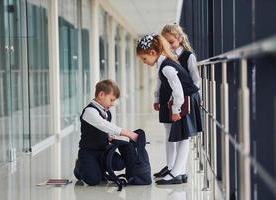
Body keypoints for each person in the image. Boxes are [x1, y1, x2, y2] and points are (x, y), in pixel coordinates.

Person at [136, 34, 202, 185]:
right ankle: (180, 172)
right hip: (187, 99)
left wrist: (176, 110)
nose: (145, 63)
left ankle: (177, 173)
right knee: (183, 137)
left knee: (184, 138)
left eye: (145, 59)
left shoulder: (166, 67)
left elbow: (178, 90)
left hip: (187, 100)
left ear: (153, 53)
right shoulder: (166, 63)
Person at [73, 79, 138, 186]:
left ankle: (97, 167)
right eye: (111, 100)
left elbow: (106, 130)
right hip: (89, 151)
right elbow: (104, 125)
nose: (113, 104)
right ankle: (80, 166)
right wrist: (128, 133)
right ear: (101, 94)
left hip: (103, 149)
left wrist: (109, 137)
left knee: (120, 163)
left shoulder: (106, 112)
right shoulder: (89, 112)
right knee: (93, 181)